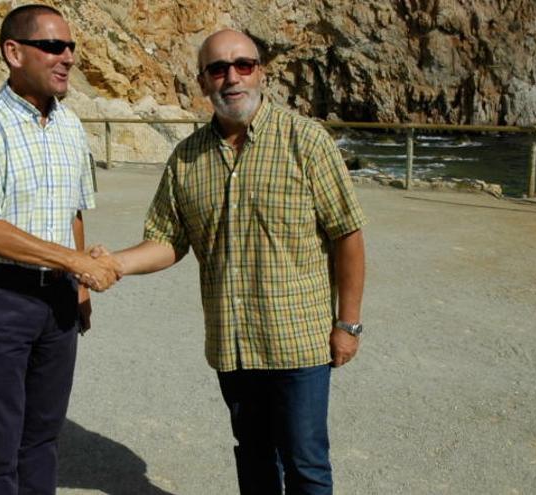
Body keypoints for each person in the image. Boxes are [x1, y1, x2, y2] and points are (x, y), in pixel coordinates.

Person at [94, 29, 367, 494]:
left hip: (298, 342)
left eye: (243, 65)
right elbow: (166, 240)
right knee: (254, 457)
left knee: (306, 463)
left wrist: (349, 325)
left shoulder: (307, 142)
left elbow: (348, 235)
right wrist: (113, 263)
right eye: (218, 69)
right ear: (202, 82)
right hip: (233, 345)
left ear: (261, 71)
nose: (232, 78)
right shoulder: (186, 159)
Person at [0, 4, 120, 494]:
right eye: (53, 46)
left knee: (43, 436)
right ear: (14, 52)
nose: (67, 58)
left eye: (71, 48)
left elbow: (74, 213)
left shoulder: (70, 125)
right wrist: (76, 262)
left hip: (59, 299)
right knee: (0, 445)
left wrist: (79, 287)